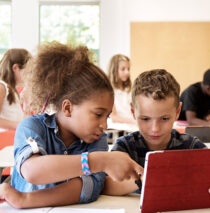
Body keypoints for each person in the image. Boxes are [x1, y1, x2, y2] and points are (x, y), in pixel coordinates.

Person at [0, 42, 143, 208]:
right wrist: (98, 161)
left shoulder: (97, 140)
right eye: (98, 115)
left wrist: (27, 200)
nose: (104, 124)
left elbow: (88, 188)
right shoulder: (31, 126)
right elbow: (33, 171)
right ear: (68, 108)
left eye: (107, 116)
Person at [103, 69, 210, 198]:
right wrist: (143, 180)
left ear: (177, 112)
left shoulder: (190, 146)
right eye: (145, 119)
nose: (155, 129)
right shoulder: (124, 147)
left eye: (164, 118)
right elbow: (105, 185)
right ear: (133, 112)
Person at [0, 48, 31, 131]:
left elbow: (19, 118)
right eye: (28, 71)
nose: (28, 76)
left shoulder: (13, 90)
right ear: (15, 68)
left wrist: (27, 105)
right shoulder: (2, 87)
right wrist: (21, 124)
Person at [107, 54, 135, 124]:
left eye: (128, 69)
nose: (127, 72)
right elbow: (114, 117)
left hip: (131, 125)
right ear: (114, 71)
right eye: (123, 69)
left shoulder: (128, 90)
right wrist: (134, 121)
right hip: (119, 127)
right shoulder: (109, 91)